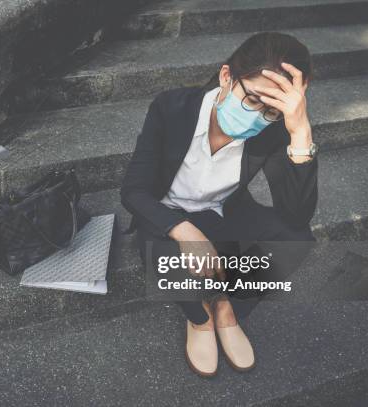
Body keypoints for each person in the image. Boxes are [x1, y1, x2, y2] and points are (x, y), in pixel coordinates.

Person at [120, 32, 318, 377]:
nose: (258, 116)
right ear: (227, 77)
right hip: (167, 215)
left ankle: (227, 305)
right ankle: (200, 319)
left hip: (221, 211)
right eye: (253, 99)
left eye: (272, 110)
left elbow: (297, 215)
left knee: (297, 239)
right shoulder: (171, 107)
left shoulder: (273, 128)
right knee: (168, 260)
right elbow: (134, 191)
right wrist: (181, 229)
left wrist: (299, 132)